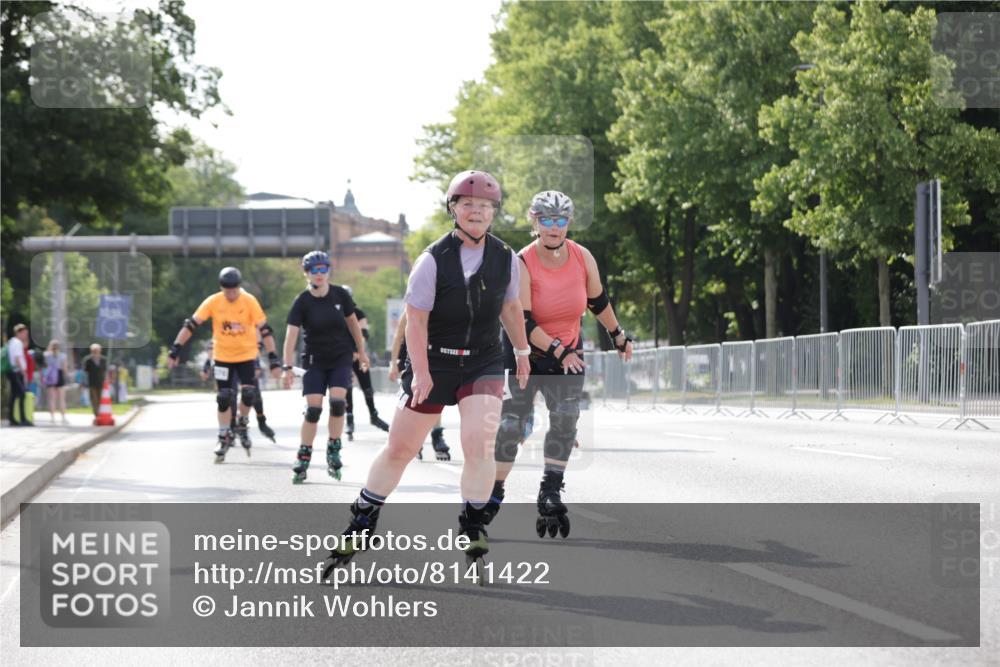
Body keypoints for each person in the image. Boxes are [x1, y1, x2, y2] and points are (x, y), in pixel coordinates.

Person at [324, 170, 530, 577]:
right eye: (468, 205)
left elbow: (510, 308)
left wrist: (521, 351)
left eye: (485, 206)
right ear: (453, 209)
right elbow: (415, 321)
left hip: (483, 361)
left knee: (478, 443)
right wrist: (419, 373)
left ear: (494, 213)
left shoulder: (506, 258)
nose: (477, 212)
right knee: (400, 448)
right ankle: (363, 519)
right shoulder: (432, 260)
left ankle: (473, 525)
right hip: (434, 360)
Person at [486, 191, 633, 538]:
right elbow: (521, 319)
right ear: (534, 221)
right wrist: (557, 349)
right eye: (546, 220)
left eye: (561, 220)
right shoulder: (520, 262)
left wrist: (618, 334)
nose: (554, 227)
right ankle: (493, 492)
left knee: (566, 419)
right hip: (524, 352)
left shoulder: (582, 257)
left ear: (569, 222)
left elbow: (597, 301)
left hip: (568, 352)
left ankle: (550, 490)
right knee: (511, 427)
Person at [167, 266, 282, 462]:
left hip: (246, 355)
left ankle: (242, 423)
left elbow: (265, 330)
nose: (231, 294)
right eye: (227, 290)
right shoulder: (213, 301)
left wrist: (273, 358)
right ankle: (223, 436)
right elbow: (191, 325)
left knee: (248, 393)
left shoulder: (249, 301)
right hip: (222, 357)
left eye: (234, 290)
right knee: (223, 397)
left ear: (239, 287)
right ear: (222, 287)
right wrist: (175, 349)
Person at [283, 251, 369, 484]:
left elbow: (353, 324)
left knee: (338, 403)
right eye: (314, 270)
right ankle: (304, 454)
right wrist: (286, 366)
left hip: (340, 357)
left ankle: (333, 447)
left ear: (329, 270)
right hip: (314, 360)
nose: (319, 274)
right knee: (313, 410)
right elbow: (291, 335)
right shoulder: (302, 301)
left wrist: (361, 353)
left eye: (323, 269)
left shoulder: (340, 295)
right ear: (306, 273)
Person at [387, 311, 450, 460]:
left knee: (434, 397)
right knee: (414, 400)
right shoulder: (412, 306)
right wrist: (393, 364)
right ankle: (414, 437)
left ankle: (436, 435)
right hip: (410, 358)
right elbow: (398, 336)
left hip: (433, 357)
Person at [201, 339, 277, 442]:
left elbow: (257, 342)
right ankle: (231, 426)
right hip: (227, 361)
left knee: (253, 392)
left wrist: (257, 363)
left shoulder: (249, 324)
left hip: (246, 359)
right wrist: (206, 365)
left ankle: (261, 422)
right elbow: (213, 345)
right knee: (228, 395)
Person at [341, 285, 390, 441]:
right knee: (346, 386)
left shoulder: (358, 313)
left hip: (358, 355)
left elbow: (363, 333)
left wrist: (357, 351)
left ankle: (373, 415)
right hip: (342, 356)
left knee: (367, 385)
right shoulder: (334, 312)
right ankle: (349, 419)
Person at [4, 324, 32, 426]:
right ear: (19, 332)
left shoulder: (12, 342)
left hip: (12, 371)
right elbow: (17, 358)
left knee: (14, 395)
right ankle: (23, 419)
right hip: (16, 371)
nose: (25, 335)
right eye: (24, 333)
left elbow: (25, 347)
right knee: (22, 394)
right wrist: (23, 371)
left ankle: (12, 419)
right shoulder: (17, 343)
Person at [43, 340, 69, 424]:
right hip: (59, 375)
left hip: (50, 376)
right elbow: (65, 368)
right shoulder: (63, 356)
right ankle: (63, 417)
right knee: (61, 398)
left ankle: (52, 417)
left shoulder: (47, 355)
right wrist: (67, 376)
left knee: (52, 399)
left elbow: (45, 366)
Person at [82, 343, 107, 418]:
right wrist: (84, 382)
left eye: (97, 350)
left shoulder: (103, 360)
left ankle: (101, 413)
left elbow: (106, 370)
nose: (95, 352)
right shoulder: (88, 360)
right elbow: (85, 372)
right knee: (94, 399)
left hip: (101, 382)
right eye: (94, 350)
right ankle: (96, 414)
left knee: (101, 399)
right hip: (91, 382)